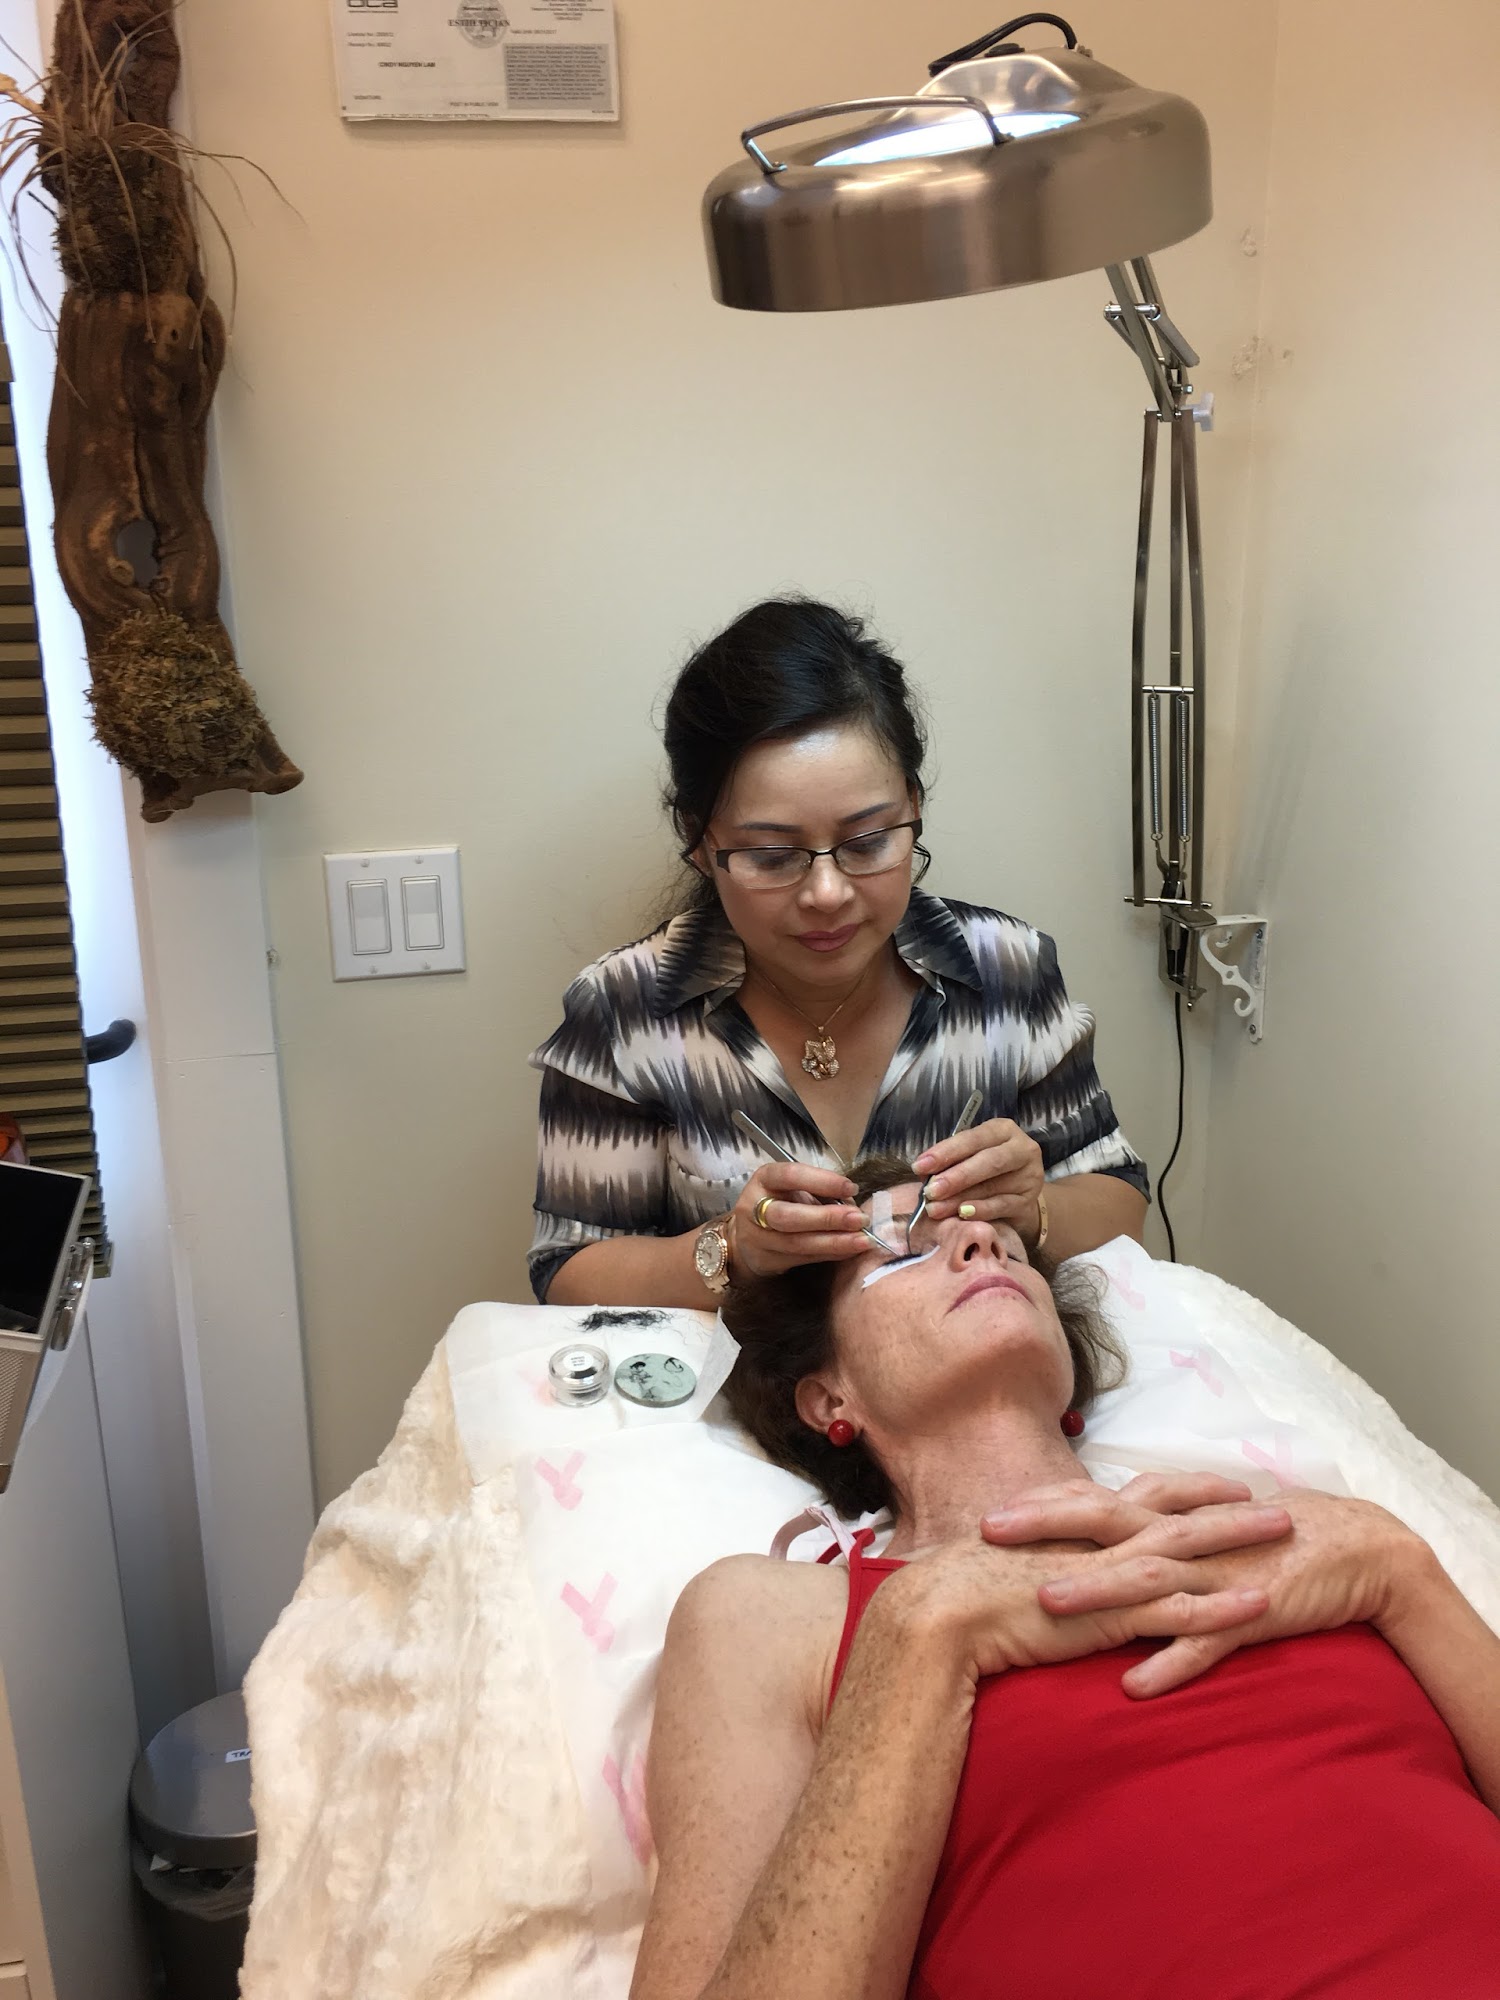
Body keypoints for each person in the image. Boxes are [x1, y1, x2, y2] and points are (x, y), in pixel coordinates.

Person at [629, 1159, 1500, 2000]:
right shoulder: (777, 1618)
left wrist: (1403, 1570)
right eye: (904, 1253)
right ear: (829, 1400)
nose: (979, 1242)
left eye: (1000, 1238)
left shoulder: (1311, 1543)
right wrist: (922, 1628)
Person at [530, 598, 1147, 1309]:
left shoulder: (1006, 968)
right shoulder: (624, 1007)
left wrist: (1031, 1208)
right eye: (771, 855)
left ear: (913, 807)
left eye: (868, 843)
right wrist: (732, 1250)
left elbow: (1121, 1208)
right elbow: (568, 1273)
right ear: (700, 841)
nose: (827, 894)